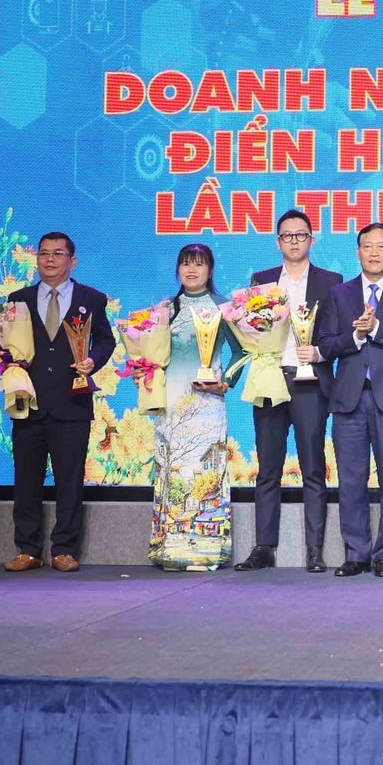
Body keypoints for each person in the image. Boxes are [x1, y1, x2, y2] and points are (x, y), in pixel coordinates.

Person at [235, 209, 341, 574]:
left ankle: (315, 549)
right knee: (268, 467)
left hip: (310, 382)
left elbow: (337, 335)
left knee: (313, 466)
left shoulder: (332, 282)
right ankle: (264, 547)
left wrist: (321, 352)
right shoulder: (261, 281)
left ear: (312, 239)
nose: (294, 241)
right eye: (287, 235)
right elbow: (248, 331)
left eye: (301, 235)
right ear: (277, 242)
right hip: (270, 380)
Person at [316, 223, 383, 577]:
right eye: (367, 246)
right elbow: (325, 345)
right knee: (350, 481)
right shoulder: (338, 294)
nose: (374, 253)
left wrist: (377, 329)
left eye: (381, 247)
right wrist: (356, 336)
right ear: (357, 252)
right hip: (348, 400)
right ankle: (356, 552)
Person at [5, 231, 114, 573]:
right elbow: (5, 343)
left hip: (72, 401)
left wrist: (93, 361)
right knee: (26, 480)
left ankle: (64, 549)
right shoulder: (18, 299)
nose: (50, 259)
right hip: (29, 401)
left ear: (72, 261)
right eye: (44, 253)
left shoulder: (91, 299)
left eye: (58, 253)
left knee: (70, 480)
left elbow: (106, 340)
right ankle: (27, 549)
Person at [149, 243, 235, 571]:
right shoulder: (164, 310)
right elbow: (152, 354)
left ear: (210, 270)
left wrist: (224, 383)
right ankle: (170, 550)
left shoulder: (225, 307)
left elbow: (243, 351)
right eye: (186, 264)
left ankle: (207, 550)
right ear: (178, 269)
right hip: (171, 402)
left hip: (207, 404)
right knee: (172, 471)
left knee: (204, 471)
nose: (192, 270)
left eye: (199, 264)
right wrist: (145, 369)